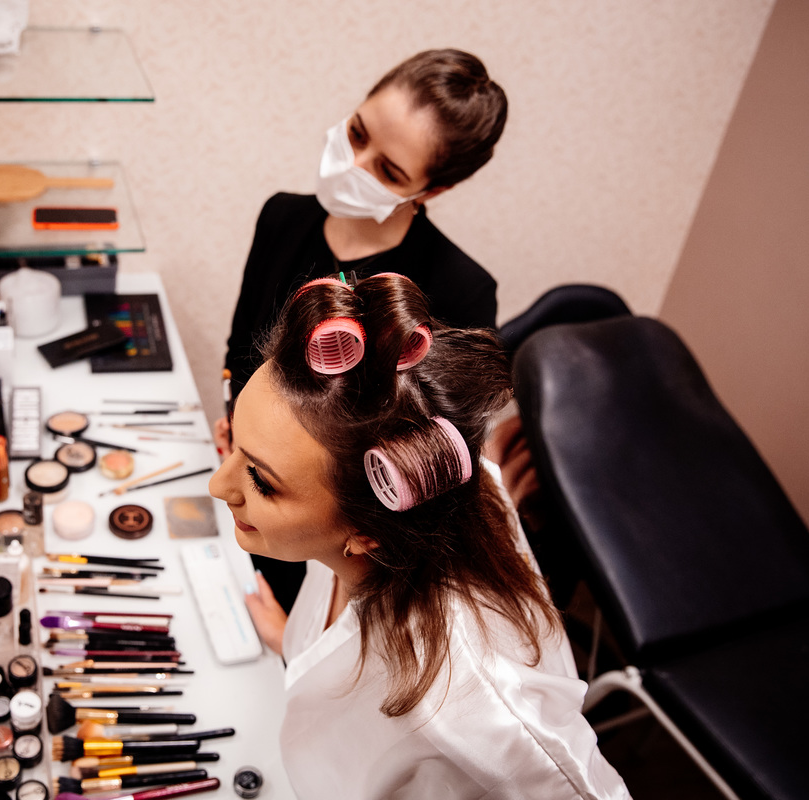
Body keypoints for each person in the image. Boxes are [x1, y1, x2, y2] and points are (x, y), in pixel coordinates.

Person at [209, 274, 630, 799]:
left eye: (260, 479)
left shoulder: (473, 713)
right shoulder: (398, 503)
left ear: (367, 531)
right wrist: (301, 644)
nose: (217, 485)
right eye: (236, 446)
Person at [218, 48, 508, 612]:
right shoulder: (281, 217)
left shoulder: (461, 290)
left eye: (389, 170)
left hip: (342, 556)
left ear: (431, 189)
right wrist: (238, 426)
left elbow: (419, 476)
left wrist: (307, 629)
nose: (354, 163)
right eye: (356, 133)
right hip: (247, 493)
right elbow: (241, 348)